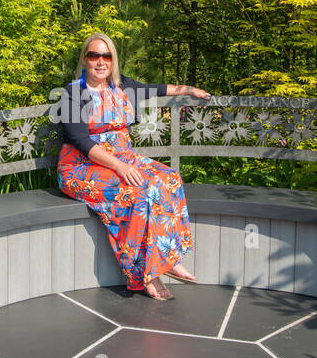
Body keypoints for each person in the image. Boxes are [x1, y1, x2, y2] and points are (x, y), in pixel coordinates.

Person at [56, 32, 210, 301]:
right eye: (94, 55)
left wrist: (187, 90)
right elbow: (81, 141)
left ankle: (167, 257)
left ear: (113, 60)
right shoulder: (72, 94)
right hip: (81, 166)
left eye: (106, 56)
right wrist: (119, 167)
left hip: (122, 158)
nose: (100, 62)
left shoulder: (121, 86)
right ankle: (147, 275)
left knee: (169, 178)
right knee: (137, 193)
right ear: (84, 59)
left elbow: (157, 89)